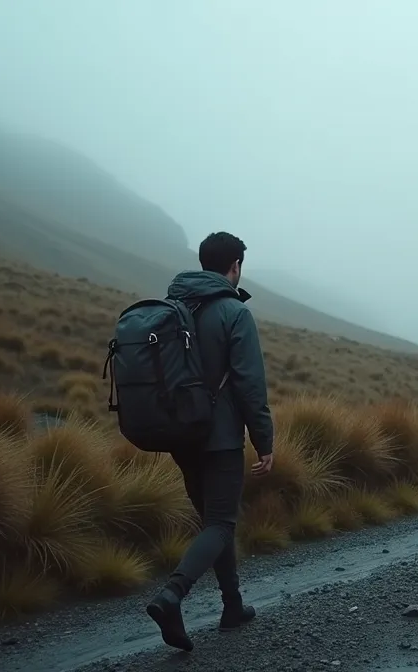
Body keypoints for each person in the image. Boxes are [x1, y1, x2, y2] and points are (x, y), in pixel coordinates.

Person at [145, 231, 276, 652]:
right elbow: (250, 385)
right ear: (235, 266)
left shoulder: (175, 306)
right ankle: (172, 596)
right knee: (221, 523)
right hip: (219, 437)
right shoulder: (234, 312)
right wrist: (264, 440)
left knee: (216, 523)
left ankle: (232, 606)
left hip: (181, 436)